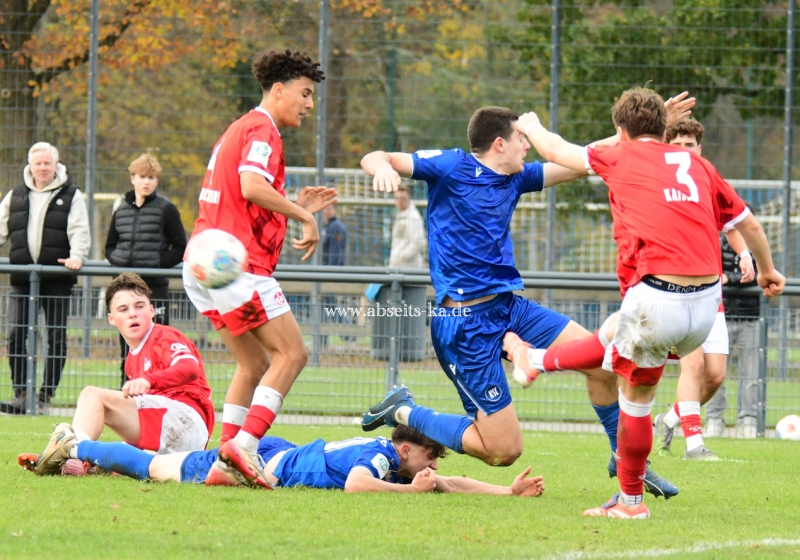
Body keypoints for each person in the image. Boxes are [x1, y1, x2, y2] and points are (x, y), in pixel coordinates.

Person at [358, 97, 694, 498]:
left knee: (604, 364)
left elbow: (583, 159)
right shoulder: (451, 166)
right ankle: (404, 410)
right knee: (503, 452)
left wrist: (638, 136)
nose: (528, 145)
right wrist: (381, 167)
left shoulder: (516, 178)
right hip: (464, 325)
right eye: (522, 138)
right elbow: (376, 157)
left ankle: (624, 458)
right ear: (499, 143)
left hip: (509, 309)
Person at [507, 87, 783, 519]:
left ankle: (631, 503)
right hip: (706, 305)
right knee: (615, 331)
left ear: (621, 130)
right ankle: (536, 361)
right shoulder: (700, 164)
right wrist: (767, 271)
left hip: (660, 297)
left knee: (635, 402)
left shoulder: (620, 155)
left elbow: (557, 150)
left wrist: (531, 125)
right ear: (664, 129)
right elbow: (750, 226)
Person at [182, 49, 337, 489]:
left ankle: (223, 462)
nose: (309, 104)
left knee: (253, 363)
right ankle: (245, 446)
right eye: (305, 93)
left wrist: (291, 207)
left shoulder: (239, 128)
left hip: (203, 262)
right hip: (233, 266)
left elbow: (244, 197)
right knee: (293, 354)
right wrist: (304, 216)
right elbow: (251, 186)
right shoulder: (263, 129)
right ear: (279, 90)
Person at [23, 424, 545, 498]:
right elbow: (356, 485)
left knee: (164, 466)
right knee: (154, 467)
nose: (433, 465)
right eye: (430, 456)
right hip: (267, 461)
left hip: (278, 454)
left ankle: (81, 464)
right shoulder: (381, 459)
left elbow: (448, 482)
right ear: (407, 449)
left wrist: (507, 491)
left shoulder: (393, 459)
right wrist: (410, 490)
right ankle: (76, 444)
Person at [32, 273, 215, 476]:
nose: (132, 314)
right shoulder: (131, 360)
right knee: (115, 451)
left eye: (139, 306)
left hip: (186, 421)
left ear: (152, 310)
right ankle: (83, 462)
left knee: (92, 396)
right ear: (111, 319)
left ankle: (70, 454)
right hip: (171, 435)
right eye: (123, 309)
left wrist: (148, 380)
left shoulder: (163, 336)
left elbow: (190, 368)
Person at [652, 120, 756, 459]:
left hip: (710, 295)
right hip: (675, 291)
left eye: (690, 145)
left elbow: (732, 223)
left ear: (700, 149)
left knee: (715, 376)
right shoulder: (659, 182)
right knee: (693, 364)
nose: (684, 151)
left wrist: (744, 255)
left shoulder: (708, 180)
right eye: (677, 145)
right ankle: (694, 445)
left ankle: (669, 419)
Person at [0, 142, 90, 415]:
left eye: (47, 163)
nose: (42, 168)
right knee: (15, 335)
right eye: (38, 163)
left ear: (55, 165)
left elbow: (79, 230)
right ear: (30, 165)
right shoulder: (15, 194)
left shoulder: (72, 195)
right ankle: (21, 394)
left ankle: (44, 397)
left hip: (56, 278)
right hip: (22, 278)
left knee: (56, 338)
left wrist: (77, 256)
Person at [105, 153, 188, 386]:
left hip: (154, 287)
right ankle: (126, 390)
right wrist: (120, 262)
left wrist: (156, 265)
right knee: (127, 345)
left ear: (156, 181)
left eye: (151, 177)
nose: (146, 182)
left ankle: (158, 390)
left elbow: (180, 246)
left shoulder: (166, 209)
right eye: (142, 176)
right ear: (132, 178)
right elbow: (109, 246)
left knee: (157, 342)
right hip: (125, 288)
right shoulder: (121, 210)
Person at [705, 223, 761, 439]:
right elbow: (712, 274)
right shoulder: (716, 245)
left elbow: (762, 274)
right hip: (721, 316)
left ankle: (748, 421)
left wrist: (731, 279)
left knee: (751, 374)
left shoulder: (758, 246)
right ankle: (714, 419)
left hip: (750, 317)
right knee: (715, 372)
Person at [320, 203, 348, 346]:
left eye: (329, 208)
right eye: (325, 208)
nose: (326, 211)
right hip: (325, 272)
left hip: (329, 274)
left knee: (327, 304)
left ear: (335, 210)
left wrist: (329, 275)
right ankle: (346, 334)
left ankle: (347, 333)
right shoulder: (326, 227)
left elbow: (335, 254)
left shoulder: (335, 227)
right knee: (328, 305)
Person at [389, 185, 426, 268]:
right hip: (399, 266)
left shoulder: (413, 217)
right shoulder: (401, 214)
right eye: (397, 198)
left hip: (408, 267)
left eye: (403, 198)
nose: (400, 201)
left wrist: (400, 257)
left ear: (409, 198)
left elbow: (418, 243)